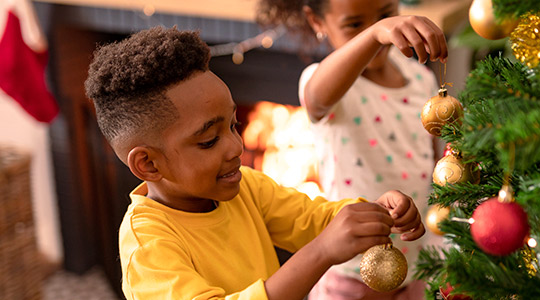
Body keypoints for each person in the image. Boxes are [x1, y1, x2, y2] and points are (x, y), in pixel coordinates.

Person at [84, 26, 426, 300]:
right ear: (148, 164)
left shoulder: (246, 186)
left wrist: (374, 213)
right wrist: (321, 252)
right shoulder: (147, 247)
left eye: (234, 125)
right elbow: (321, 244)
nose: (235, 146)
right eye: (208, 141)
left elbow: (313, 220)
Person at [257, 0, 449, 299]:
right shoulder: (323, 82)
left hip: (416, 268)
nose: (381, 33)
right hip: (351, 274)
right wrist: (376, 32)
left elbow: (432, 159)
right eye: (354, 24)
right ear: (317, 21)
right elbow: (316, 99)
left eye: (385, 15)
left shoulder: (420, 79)